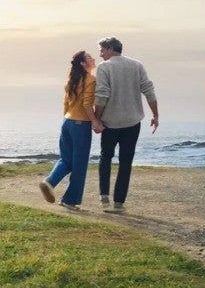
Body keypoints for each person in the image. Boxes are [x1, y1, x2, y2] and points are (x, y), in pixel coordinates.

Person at [92, 36, 158, 212]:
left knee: (105, 156)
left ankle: (104, 197)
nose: (100, 54)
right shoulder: (137, 65)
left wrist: (96, 118)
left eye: (102, 50)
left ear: (111, 48)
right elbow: (148, 90)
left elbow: (101, 95)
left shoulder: (104, 67)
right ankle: (119, 202)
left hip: (110, 123)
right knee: (126, 161)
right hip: (132, 121)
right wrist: (155, 114)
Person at [39, 51, 101, 211]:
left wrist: (67, 121)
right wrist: (95, 121)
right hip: (81, 125)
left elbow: (65, 103)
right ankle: (70, 200)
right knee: (79, 164)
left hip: (67, 122)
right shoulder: (91, 80)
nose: (93, 59)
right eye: (89, 58)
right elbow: (88, 104)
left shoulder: (71, 80)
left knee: (66, 159)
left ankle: (49, 182)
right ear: (82, 63)